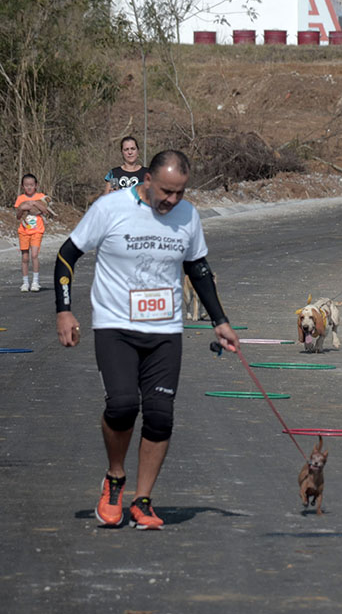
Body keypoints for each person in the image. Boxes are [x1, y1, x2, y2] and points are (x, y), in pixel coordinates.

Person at [54, 150, 239, 528]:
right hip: (115, 326)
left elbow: (198, 268)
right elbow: (66, 256)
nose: (172, 200)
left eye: (180, 193)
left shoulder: (188, 216)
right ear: (148, 180)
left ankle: (142, 501)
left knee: (159, 416)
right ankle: (115, 478)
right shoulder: (110, 208)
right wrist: (65, 309)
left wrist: (219, 320)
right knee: (122, 406)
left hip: (165, 330)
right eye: (166, 191)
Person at [14, 173, 50, 292]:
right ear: (23, 186)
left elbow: (46, 211)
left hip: (37, 231)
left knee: (34, 255)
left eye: (31, 185)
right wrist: (22, 208)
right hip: (24, 231)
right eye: (26, 185)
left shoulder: (41, 197)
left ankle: (35, 281)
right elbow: (18, 216)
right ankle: (25, 282)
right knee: (25, 257)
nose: (29, 187)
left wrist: (35, 203)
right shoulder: (20, 198)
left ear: (36, 185)